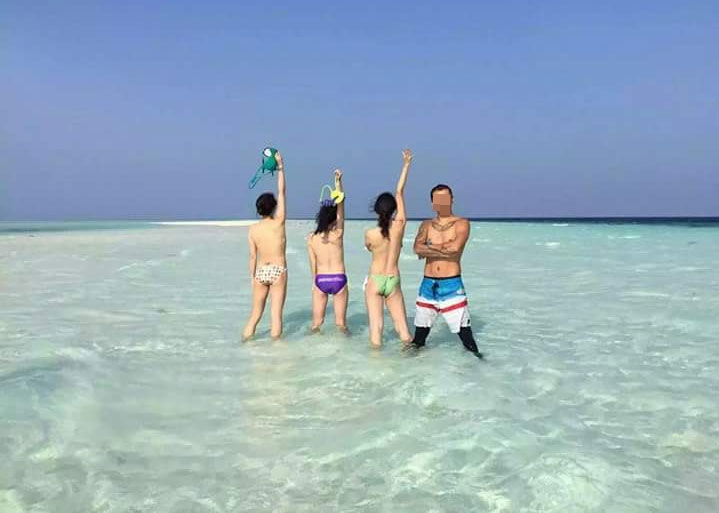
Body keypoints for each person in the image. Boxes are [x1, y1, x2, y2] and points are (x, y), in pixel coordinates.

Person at [410, 184, 483, 358]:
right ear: (432, 203)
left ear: (452, 200)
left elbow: (455, 249)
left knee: (466, 337)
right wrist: (443, 247)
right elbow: (417, 249)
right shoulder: (426, 224)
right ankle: (408, 366)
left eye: (445, 198)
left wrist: (429, 246)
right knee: (419, 338)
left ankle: (480, 366)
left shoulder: (461, 223)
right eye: (437, 199)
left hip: (451, 284)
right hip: (428, 285)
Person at [363, 149, 413, 348]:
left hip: (375, 279)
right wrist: (406, 165)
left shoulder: (370, 234)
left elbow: (369, 248)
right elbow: (399, 192)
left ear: (376, 209)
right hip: (393, 278)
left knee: (376, 329)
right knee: (403, 330)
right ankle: (413, 358)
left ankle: (376, 363)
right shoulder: (399, 226)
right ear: (394, 209)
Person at [242, 151, 287, 340]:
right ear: (274, 207)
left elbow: (253, 256)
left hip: (260, 272)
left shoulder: (253, 230)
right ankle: (275, 350)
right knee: (275, 316)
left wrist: (252, 278)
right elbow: (282, 192)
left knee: (255, 315)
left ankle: (245, 342)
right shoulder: (279, 222)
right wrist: (280, 167)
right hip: (277, 270)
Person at [307, 169, 349, 334]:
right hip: (339, 278)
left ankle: (311, 347)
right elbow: (341, 205)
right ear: (334, 220)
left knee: (316, 324)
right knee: (341, 324)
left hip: (321, 279)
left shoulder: (312, 238)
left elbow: (313, 265)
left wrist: (314, 283)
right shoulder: (338, 234)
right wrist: (338, 183)